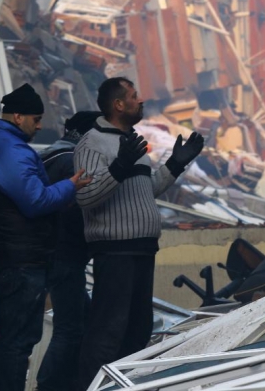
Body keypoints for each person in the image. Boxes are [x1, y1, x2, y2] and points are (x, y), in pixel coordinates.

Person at [0, 84, 91, 391]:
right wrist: (71, 185)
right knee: (17, 341)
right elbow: (35, 202)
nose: (40, 125)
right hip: (20, 258)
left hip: (7, 251)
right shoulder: (11, 151)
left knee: (11, 338)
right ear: (18, 116)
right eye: (36, 118)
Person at [75, 77, 205, 388]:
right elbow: (85, 196)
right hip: (115, 252)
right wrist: (118, 166)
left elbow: (146, 190)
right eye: (134, 96)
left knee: (137, 331)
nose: (140, 100)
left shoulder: (131, 140)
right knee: (108, 332)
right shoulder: (93, 143)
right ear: (119, 104)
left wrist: (175, 164)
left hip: (142, 250)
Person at [36, 111, 102, 391]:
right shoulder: (71, 163)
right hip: (64, 256)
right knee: (69, 328)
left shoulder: (50, 156)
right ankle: (48, 385)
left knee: (81, 320)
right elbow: (74, 212)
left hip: (52, 253)